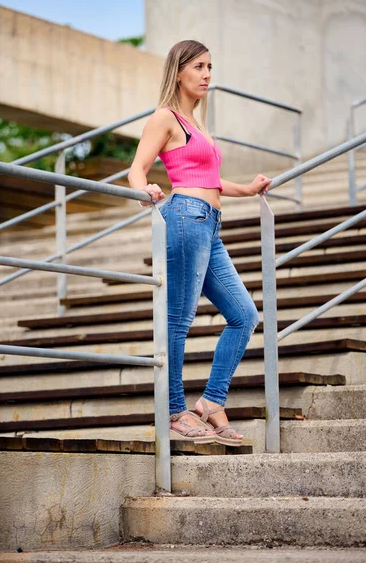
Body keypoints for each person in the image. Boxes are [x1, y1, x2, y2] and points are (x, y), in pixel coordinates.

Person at [128, 39, 271, 446]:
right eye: (199, 67)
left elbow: (207, 179)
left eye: (210, 66)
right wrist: (147, 191)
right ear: (179, 72)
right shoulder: (165, 117)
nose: (207, 74)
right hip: (185, 218)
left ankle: (209, 403)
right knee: (179, 319)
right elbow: (136, 169)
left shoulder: (198, 124)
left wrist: (247, 188)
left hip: (209, 222)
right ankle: (175, 411)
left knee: (244, 315)